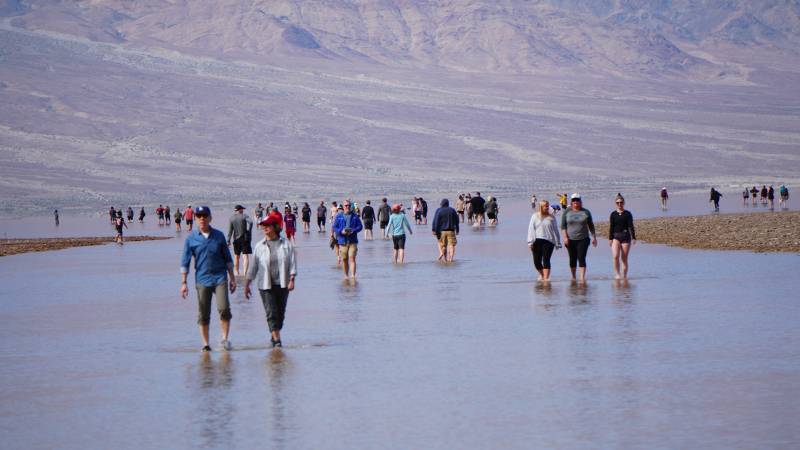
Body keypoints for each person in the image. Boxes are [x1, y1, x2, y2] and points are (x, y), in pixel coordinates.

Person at [180, 206, 236, 352]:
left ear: (210, 218)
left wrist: (232, 278)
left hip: (220, 278)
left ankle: (224, 339)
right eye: (199, 216)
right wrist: (184, 283)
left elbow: (228, 258)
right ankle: (206, 344)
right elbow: (185, 262)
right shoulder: (191, 239)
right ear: (195, 218)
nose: (202, 218)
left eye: (205, 215)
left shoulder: (219, 236)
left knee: (224, 309)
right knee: (203, 313)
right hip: (202, 280)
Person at [245, 214, 297, 348]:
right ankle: (278, 341)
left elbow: (292, 262)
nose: (265, 227)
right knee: (271, 312)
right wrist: (247, 283)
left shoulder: (286, 244)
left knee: (280, 315)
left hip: (283, 283)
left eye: (268, 225)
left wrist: (292, 279)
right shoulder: (259, 246)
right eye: (264, 225)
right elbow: (254, 266)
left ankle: (274, 335)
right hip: (265, 285)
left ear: (275, 227)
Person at [560, 193, 597, 283]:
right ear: (571, 202)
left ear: (580, 201)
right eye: (574, 200)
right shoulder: (567, 212)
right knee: (572, 258)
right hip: (570, 239)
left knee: (581, 257)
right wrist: (565, 238)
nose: (575, 201)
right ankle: (573, 276)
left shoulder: (586, 212)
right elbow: (563, 226)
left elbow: (591, 225)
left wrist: (594, 237)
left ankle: (582, 278)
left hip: (583, 239)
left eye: (577, 200)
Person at [527, 200, 561, 281]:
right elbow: (531, 229)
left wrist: (558, 242)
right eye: (545, 206)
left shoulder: (551, 217)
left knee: (546, 260)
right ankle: (542, 275)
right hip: (537, 241)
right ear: (541, 207)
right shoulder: (535, 216)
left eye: (548, 205)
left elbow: (556, 230)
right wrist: (530, 242)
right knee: (537, 262)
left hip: (549, 241)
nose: (547, 207)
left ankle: (546, 279)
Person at [332, 200, 363, 279]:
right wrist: (341, 231)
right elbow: (335, 227)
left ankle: (353, 275)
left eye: (349, 205)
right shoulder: (339, 216)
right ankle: (346, 276)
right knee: (345, 259)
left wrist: (353, 230)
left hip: (353, 241)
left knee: (352, 257)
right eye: (346, 205)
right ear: (343, 206)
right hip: (342, 241)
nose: (347, 207)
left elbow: (360, 227)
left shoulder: (355, 216)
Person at [609, 194, 636, 280]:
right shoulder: (613, 214)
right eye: (618, 203)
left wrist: (633, 237)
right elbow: (611, 227)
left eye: (621, 202)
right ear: (615, 203)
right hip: (616, 237)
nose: (619, 204)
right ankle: (617, 274)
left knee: (624, 258)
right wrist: (610, 238)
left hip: (625, 237)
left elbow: (631, 226)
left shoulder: (628, 214)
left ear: (623, 203)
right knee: (615, 256)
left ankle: (624, 276)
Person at [227, 205, 253, 276]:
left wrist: (228, 241)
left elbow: (230, 231)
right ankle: (245, 273)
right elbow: (251, 222)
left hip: (236, 239)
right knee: (245, 256)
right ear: (240, 210)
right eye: (242, 209)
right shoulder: (244, 216)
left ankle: (236, 272)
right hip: (244, 238)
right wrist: (249, 231)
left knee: (236, 257)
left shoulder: (231, 218)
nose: (243, 211)